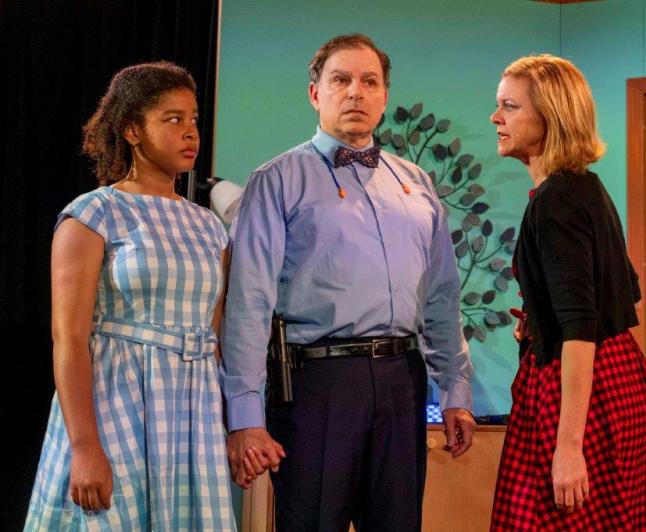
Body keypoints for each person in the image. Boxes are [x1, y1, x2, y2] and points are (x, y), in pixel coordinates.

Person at [220, 33, 476, 531]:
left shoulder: (418, 184)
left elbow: (443, 299)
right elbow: (248, 303)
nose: (355, 92)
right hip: (317, 385)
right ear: (315, 93)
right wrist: (245, 416)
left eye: (369, 81)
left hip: (404, 379)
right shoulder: (276, 180)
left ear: (384, 97)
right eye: (341, 80)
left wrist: (456, 394)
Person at [25, 61, 236, 531]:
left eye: (194, 119)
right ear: (132, 131)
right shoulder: (94, 213)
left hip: (189, 411)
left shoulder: (208, 227)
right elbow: (70, 338)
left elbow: (215, 333)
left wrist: (228, 422)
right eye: (172, 119)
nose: (190, 132)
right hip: (116, 404)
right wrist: (84, 446)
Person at [488, 54, 646, 530]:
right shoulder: (586, 188)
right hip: (619, 380)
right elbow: (623, 292)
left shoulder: (556, 201)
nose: (496, 118)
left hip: (579, 393)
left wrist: (568, 447)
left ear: (551, 116)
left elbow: (581, 328)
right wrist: (541, 315)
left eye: (510, 107)